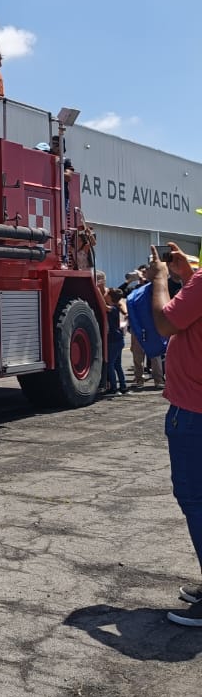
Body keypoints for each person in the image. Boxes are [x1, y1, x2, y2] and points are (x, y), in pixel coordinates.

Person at [146, 244, 202, 625]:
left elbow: (166, 322)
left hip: (194, 411)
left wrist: (162, 279)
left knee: (194, 499)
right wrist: (186, 277)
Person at [104, 288, 128, 395]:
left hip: (113, 340)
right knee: (118, 364)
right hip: (119, 339)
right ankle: (123, 386)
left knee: (110, 364)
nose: (104, 295)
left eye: (106, 294)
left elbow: (105, 307)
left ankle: (114, 387)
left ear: (110, 297)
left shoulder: (113, 308)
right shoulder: (117, 308)